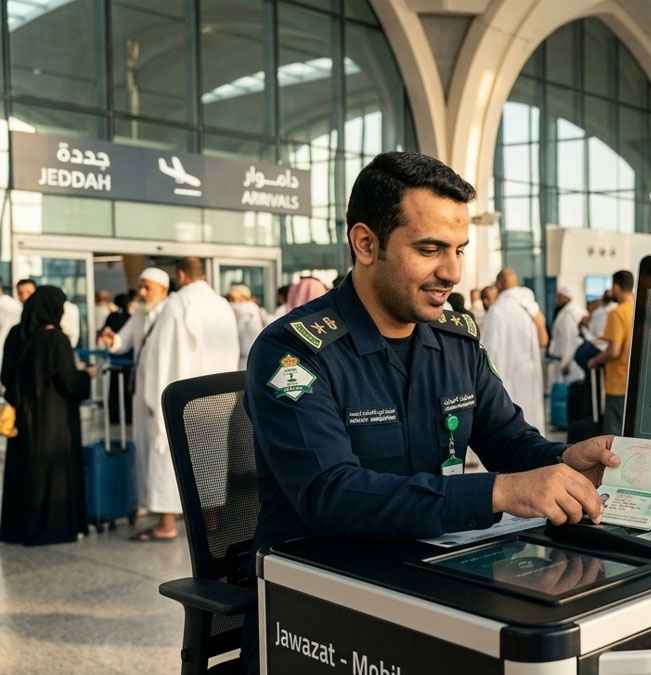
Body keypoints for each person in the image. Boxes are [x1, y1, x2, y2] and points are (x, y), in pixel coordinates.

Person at [245, 150, 618, 594]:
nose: (452, 272)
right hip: (322, 598)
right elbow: (330, 494)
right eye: (429, 249)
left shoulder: (455, 341)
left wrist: (563, 461)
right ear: (366, 244)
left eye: (458, 250)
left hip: (433, 576)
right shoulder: (294, 352)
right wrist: (497, 493)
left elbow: (508, 441)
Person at [130, 258, 239, 542]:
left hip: (181, 397)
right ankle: (211, 521)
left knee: (170, 455)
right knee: (212, 457)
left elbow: (161, 356)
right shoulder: (221, 304)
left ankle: (167, 524)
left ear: (179, 275)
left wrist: (156, 399)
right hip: (216, 396)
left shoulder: (177, 305)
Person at [0, 286, 96, 545]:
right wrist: (86, 375)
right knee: (52, 471)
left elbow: (6, 376)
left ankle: (19, 528)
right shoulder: (56, 339)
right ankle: (50, 528)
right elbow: (68, 382)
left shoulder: (16, 334)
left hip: (24, 415)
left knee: (23, 471)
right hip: (54, 418)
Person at [481, 269, 549, 433]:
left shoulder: (497, 311)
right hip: (530, 376)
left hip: (507, 381)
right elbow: (544, 341)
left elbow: (487, 355)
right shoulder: (531, 307)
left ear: (499, 284)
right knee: (531, 423)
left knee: (511, 430)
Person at [588, 271, 635, 435]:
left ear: (616, 287)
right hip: (634, 381)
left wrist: (595, 360)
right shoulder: (637, 308)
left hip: (617, 382)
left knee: (613, 434)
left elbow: (614, 351)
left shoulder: (617, 313)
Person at [548, 287, 587, 386]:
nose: (557, 300)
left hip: (569, 363)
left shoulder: (569, 314)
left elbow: (569, 340)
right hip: (572, 361)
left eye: (559, 297)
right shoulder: (572, 311)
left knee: (570, 394)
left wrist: (565, 364)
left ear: (566, 297)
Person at [229, 283, 267, 370]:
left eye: (232, 297)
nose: (231, 300)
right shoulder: (253, 307)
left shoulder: (244, 309)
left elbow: (237, 330)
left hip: (246, 351)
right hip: (253, 349)